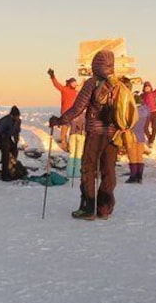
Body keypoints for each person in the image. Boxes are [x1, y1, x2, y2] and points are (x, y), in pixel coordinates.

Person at [49, 50, 137, 220]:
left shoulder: (92, 83)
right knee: (108, 170)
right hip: (113, 135)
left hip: (95, 133)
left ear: (96, 65)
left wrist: (59, 120)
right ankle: (104, 208)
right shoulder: (120, 85)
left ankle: (87, 208)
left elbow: (77, 108)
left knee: (88, 168)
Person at [47, 68, 78, 151]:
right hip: (65, 113)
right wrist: (52, 76)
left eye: (76, 82)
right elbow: (56, 84)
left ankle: (72, 146)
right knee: (64, 129)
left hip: (74, 113)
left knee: (74, 130)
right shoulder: (65, 89)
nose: (75, 84)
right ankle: (64, 144)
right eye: (73, 82)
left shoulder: (76, 92)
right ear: (70, 83)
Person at [126, 94, 150, 183]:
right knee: (139, 157)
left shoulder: (131, 111)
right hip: (141, 136)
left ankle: (133, 176)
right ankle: (139, 176)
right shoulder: (146, 111)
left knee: (132, 157)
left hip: (131, 136)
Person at [0, 106, 21, 181]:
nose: (18, 118)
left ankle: (11, 169)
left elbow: (16, 132)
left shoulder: (17, 121)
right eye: (16, 116)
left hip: (8, 138)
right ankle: (4, 175)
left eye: (18, 116)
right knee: (5, 154)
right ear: (12, 115)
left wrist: (15, 143)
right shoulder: (5, 120)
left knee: (15, 151)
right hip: (1, 139)